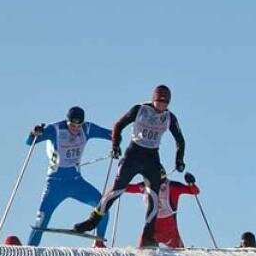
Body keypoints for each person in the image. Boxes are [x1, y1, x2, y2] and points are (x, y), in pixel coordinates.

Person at [74, 85, 185, 247]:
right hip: (133, 155)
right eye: (159, 102)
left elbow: (180, 140)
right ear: (153, 99)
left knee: (153, 197)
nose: (161, 106)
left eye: (165, 103)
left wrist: (179, 160)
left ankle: (148, 236)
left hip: (152, 158)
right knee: (117, 190)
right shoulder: (139, 110)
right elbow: (118, 125)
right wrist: (115, 145)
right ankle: (92, 221)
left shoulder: (169, 117)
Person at [25, 106, 112, 247]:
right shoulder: (56, 129)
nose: (76, 129)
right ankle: (30, 249)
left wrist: (116, 144)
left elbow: (112, 134)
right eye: (72, 125)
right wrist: (34, 132)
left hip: (76, 182)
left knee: (103, 207)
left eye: (79, 125)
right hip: (55, 184)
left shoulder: (87, 129)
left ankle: (99, 243)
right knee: (41, 219)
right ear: (67, 121)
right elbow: (30, 142)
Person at [124, 168, 198, 248]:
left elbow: (194, 191)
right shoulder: (145, 186)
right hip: (152, 227)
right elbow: (126, 188)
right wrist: (123, 177)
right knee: (141, 251)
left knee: (180, 253)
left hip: (169, 227)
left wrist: (191, 183)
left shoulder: (173, 186)